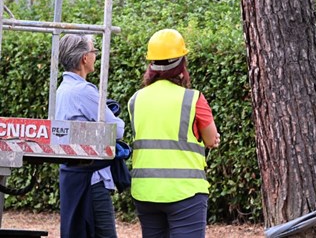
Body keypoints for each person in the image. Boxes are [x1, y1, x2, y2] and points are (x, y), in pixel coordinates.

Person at [127, 28, 220, 238]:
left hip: (146, 192)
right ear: (182, 64)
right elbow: (211, 139)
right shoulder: (193, 99)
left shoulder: (135, 100)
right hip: (185, 192)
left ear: (151, 64)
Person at [56, 33, 126, 238]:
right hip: (92, 181)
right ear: (84, 58)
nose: (95, 56)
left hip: (74, 178)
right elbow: (116, 129)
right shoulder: (83, 91)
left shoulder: (62, 90)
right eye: (93, 52)